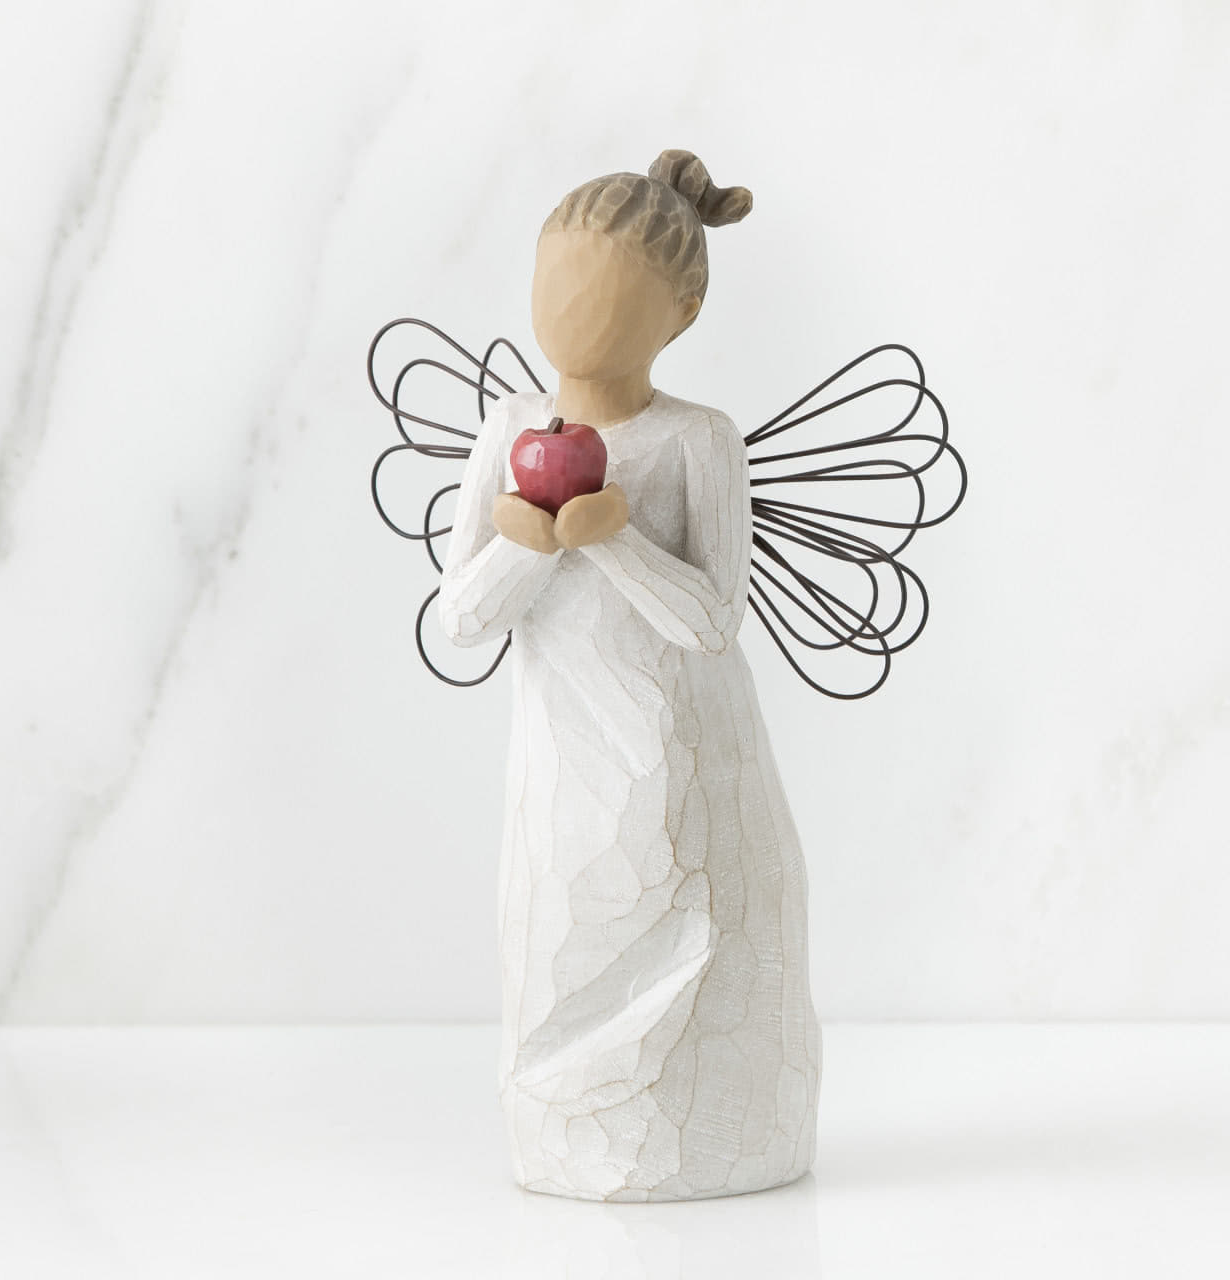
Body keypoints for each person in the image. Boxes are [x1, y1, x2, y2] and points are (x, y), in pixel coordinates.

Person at [439, 151, 820, 1201]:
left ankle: (730, 1137)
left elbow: (712, 621)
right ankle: (569, 1138)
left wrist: (611, 537)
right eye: (555, 281)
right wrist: (524, 546)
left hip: (689, 772)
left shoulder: (700, 442)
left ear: (680, 314)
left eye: (604, 292)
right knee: (560, 965)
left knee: (700, 958)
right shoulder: (507, 432)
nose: (571, 312)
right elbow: (459, 618)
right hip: (562, 776)